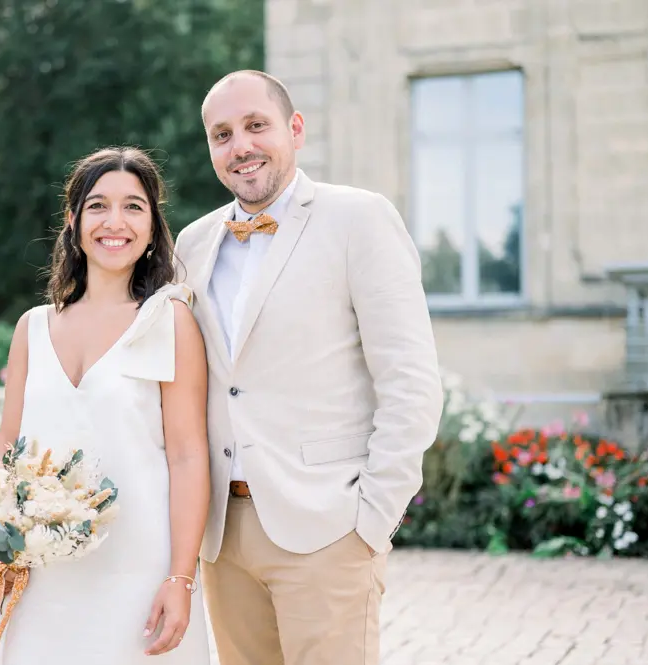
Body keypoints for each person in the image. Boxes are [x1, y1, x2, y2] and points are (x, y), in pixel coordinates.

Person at [173, 70, 445, 665]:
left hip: (328, 527)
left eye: (255, 126)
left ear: (294, 129)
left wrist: (371, 520)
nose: (240, 145)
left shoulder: (360, 219)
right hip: (223, 536)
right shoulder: (192, 245)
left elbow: (412, 382)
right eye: (222, 134)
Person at [0, 147, 212, 664]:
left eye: (133, 207)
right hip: (42, 582)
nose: (115, 222)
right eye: (98, 205)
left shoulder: (170, 321)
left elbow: (189, 457)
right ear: (73, 220)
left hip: (139, 579)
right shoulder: (31, 328)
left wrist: (181, 578)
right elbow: (7, 448)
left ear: (152, 225)